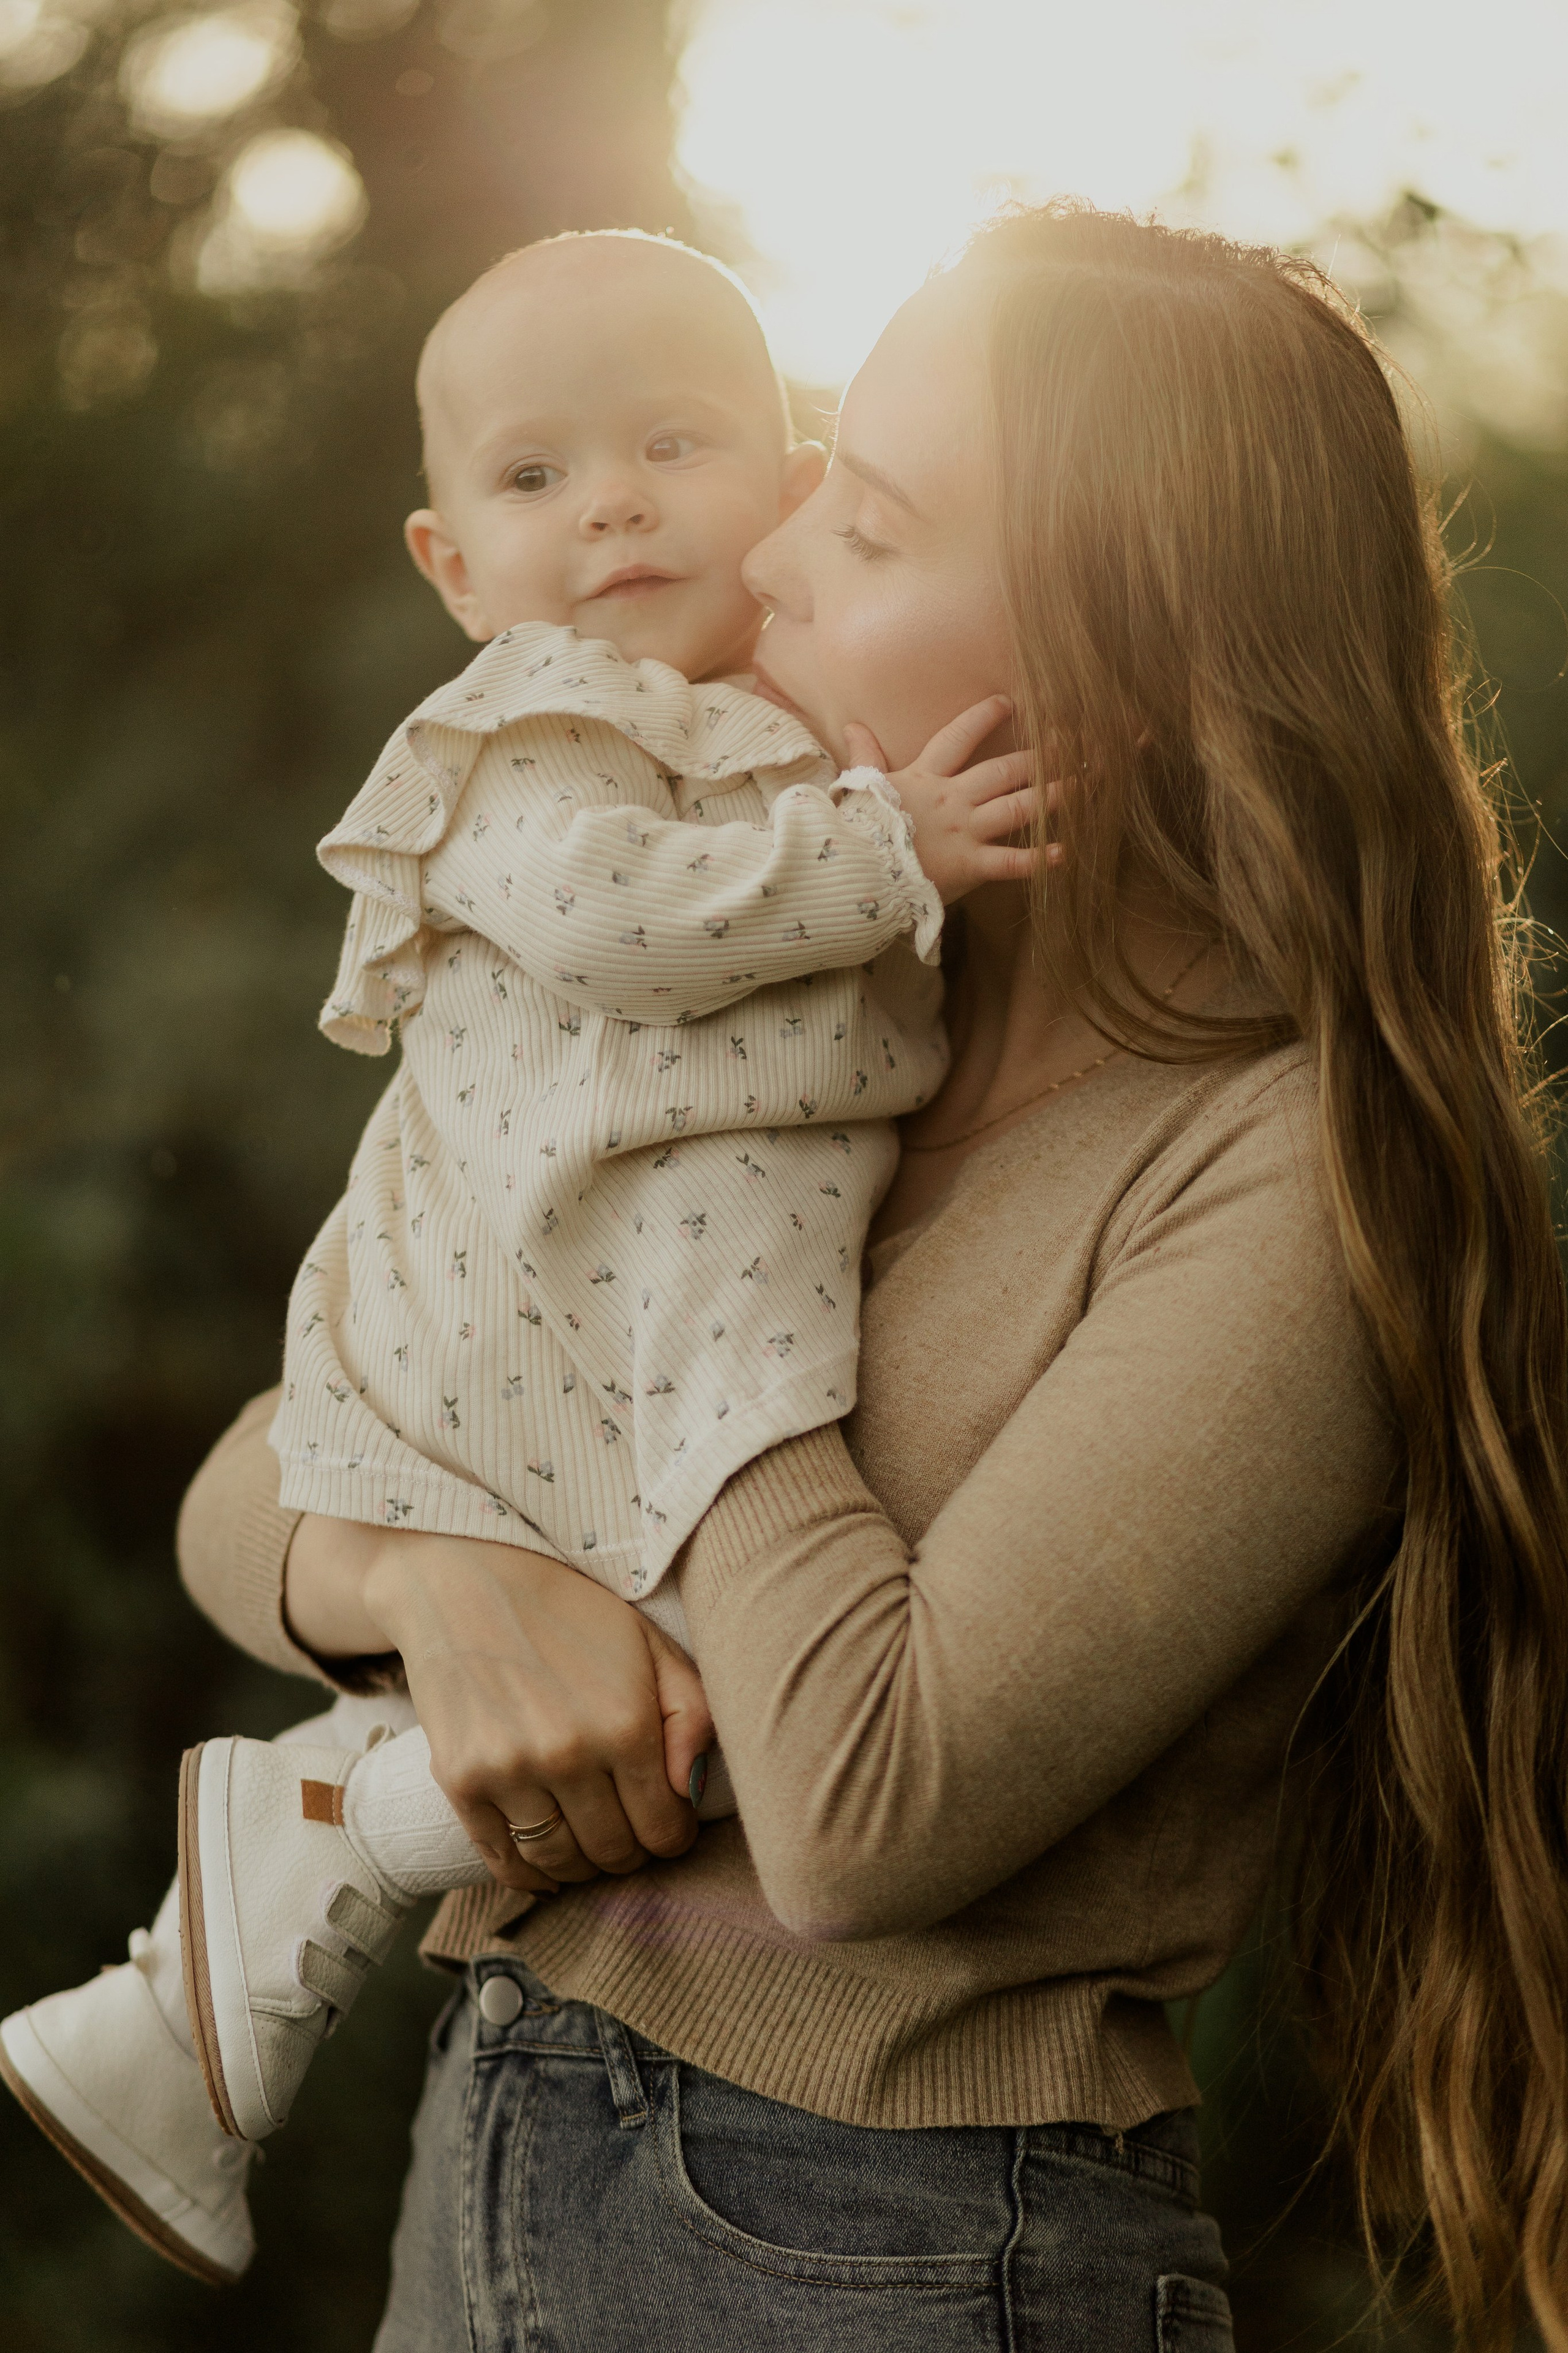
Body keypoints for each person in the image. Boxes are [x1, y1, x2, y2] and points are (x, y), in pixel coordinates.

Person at [47, 197, 1568, 2348]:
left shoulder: (1280, 1180)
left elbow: (869, 1807)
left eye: (868, 518)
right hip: (497, 2166)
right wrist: (430, 1589)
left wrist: (668, 1258)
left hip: (895, 2245)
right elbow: (272, 1469)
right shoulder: (819, 1002)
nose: (754, 551)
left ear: (1110, 687)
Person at [0, 229, 1039, 2282]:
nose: (617, 504)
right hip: (554, 1291)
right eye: (537, 478)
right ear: (454, 565)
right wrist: (882, 847)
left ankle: (240, 1935)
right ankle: (275, 1880)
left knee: (643, 1704)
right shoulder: (533, 724)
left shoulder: (772, 705)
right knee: (698, 1702)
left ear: (797, 479)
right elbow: (605, 919)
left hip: (661, 1295)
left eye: (674, 442)